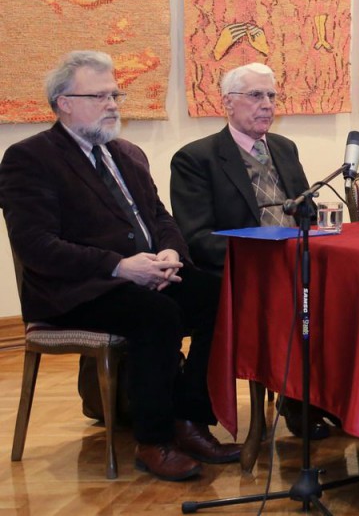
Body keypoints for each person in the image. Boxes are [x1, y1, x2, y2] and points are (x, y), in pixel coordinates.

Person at [0, 51, 240, 481]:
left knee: (217, 297)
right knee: (157, 315)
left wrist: (171, 254)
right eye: (100, 96)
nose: (113, 104)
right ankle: (153, 441)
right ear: (64, 102)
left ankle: (189, 419)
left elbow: (160, 218)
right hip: (75, 289)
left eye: (115, 94)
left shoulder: (126, 153)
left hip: (142, 275)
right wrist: (119, 267)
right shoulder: (30, 158)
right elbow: (36, 246)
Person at [169, 63, 333, 440]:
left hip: (292, 264)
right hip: (235, 270)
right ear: (227, 103)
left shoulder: (284, 148)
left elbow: (304, 213)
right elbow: (197, 238)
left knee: (341, 294)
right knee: (215, 308)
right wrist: (264, 255)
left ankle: (309, 400)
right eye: (256, 95)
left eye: (272, 96)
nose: (267, 104)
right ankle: (192, 418)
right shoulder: (196, 158)